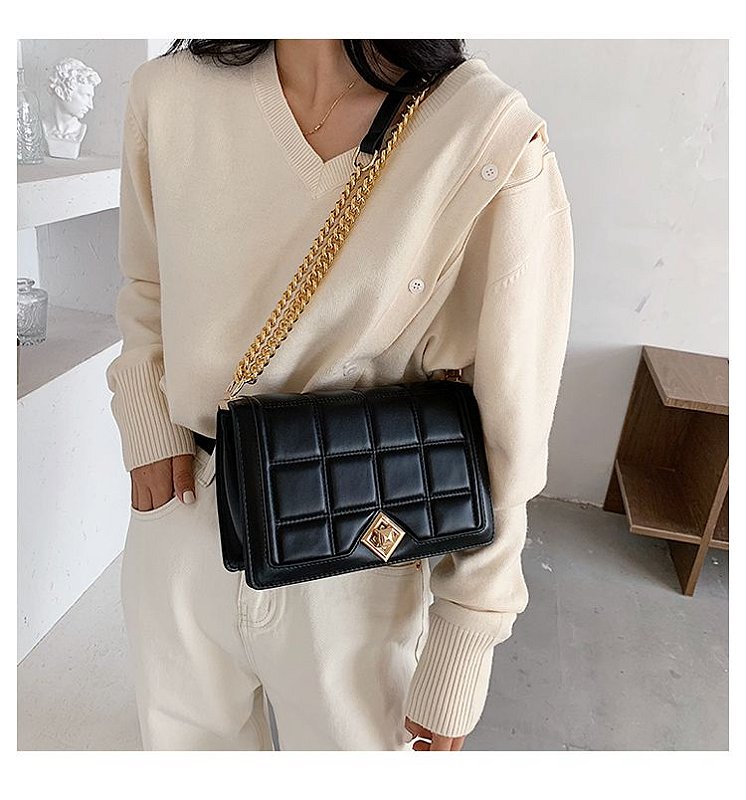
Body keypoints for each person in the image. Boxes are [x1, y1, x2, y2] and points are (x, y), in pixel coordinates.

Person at [105, 38, 574, 751]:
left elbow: (512, 410)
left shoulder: (484, 133)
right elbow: (147, 280)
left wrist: (469, 627)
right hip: (184, 505)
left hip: (360, 548)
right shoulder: (168, 93)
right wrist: (146, 419)